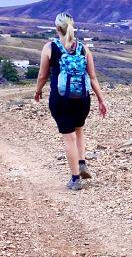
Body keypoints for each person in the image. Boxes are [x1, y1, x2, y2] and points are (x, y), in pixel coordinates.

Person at [34, 12, 108, 190]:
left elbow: (43, 75)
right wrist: (101, 100)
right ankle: (81, 163)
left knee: (69, 138)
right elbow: (93, 77)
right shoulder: (83, 48)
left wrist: (37, 91)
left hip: (60, 100)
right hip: (82, 99)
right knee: (79, 130)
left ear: (57, 28)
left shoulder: (50, 47)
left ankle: (75, 179)